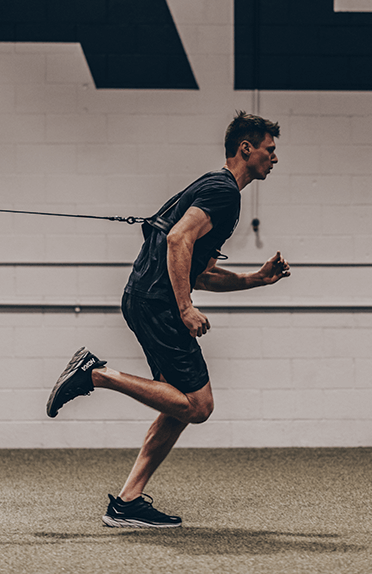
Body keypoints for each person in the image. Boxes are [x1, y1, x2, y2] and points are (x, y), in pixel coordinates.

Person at [46, 111, 291, 528]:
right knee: (198, 406)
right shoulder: (224, 191)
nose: (275, 158)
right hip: (157, 302)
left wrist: (256, 279)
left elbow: (200, 272)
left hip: (145, 297)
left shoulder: (216, 190)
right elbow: (178, 239)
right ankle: (97, 374)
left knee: (179, 406)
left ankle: (127, 503)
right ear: (246, 148)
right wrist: (184, 308)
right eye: (270, 150)